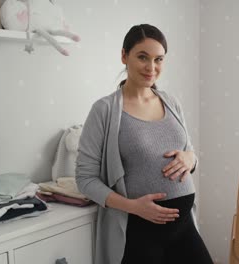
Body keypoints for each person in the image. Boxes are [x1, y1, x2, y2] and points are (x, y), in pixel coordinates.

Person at [75, 24, 213, 264]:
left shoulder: (170, 102)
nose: (151, 68)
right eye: (142, 57)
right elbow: (85, 179)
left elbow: (188, 152)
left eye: (158, 59)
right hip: (141, 232)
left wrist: (191, 159)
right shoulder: (104, 110)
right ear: (124, 56)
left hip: (184, 228)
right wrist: (134, 207)